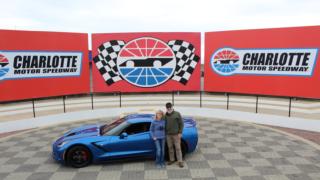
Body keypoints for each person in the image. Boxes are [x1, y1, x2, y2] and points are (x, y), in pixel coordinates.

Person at [164, 102, 184, 168]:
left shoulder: (177, 114)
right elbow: (163, 123)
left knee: (178, 148)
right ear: (166, 108)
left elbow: (181, 124)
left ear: (172, 107)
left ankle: (180, 161)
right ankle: (172, 159)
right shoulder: (165, 115)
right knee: (170, 148)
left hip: (176, 135)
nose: (169, 109)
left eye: (170, 107)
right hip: (168, 135)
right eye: (167, 108)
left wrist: (180, 132)